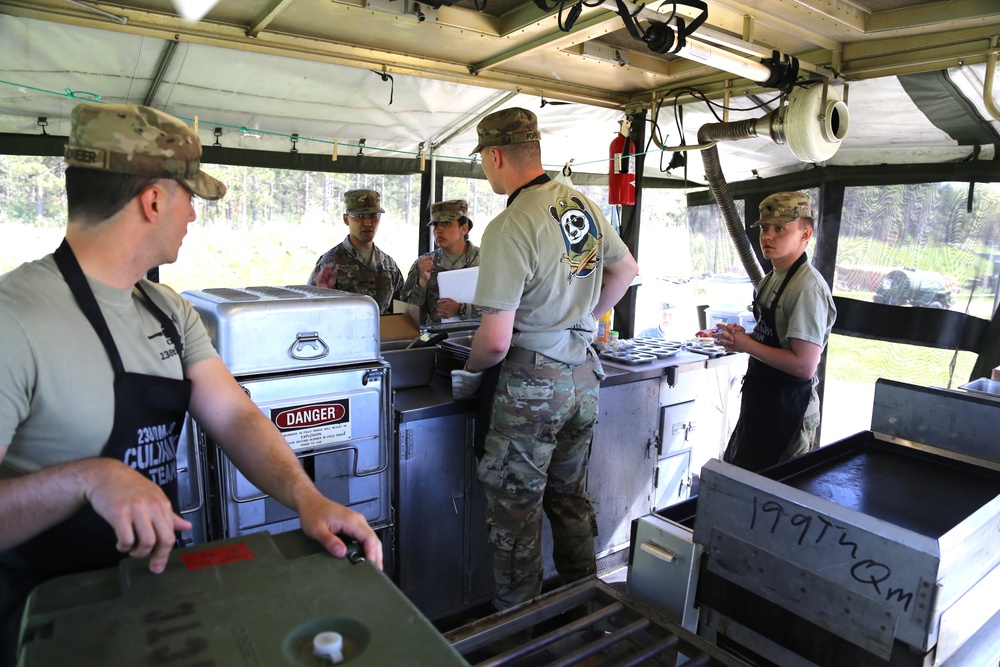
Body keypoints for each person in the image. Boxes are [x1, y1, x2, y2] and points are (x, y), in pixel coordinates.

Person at [0, 103, 382, 666]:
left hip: (159, 607)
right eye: (189, 199)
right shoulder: (15, 319)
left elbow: (234, 416)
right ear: (153, 200)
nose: (194, 218)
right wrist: (89, 478)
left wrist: (307, 497)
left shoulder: (166, 310)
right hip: (51, 627)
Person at [451, 108, 638, 611]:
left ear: (494, 156)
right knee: (570, 498)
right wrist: (580, 320)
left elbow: (493, 341)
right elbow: (626, 271)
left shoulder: (511, 224)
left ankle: (521, 636)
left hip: (532, 389)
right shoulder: (582, 204)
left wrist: (468, 376)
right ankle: (585, 609)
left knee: (516, 516)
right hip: (582, 379)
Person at [713, 191, 837, 472]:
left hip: (789, 413)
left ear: (806, 233)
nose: (767, 236)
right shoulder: (773, 278)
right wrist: (741, 337)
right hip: (763, 403)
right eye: (764, 228)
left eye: (780, 228)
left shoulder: (807, 288)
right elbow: (775, 337)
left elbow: (805, 365)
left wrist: (748, 345)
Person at [306, 189, 404, 315]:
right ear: (346, 219)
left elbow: (401, 311)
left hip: (384, 333)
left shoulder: (389, 265)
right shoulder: (330, 262)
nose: (368, 223)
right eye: (360, 216)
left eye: (373, 216)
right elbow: (311, 313)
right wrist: (323, 293)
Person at [401, 199, 481, 324]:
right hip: (434, 339)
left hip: (475, 337)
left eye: (446, 224)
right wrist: (421, 283)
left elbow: (502, 307)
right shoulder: (423, 264)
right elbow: (405, 315)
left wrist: (462, 309)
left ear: (464, 229)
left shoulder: (485, 261)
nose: (438, 230)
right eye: (435, 225)